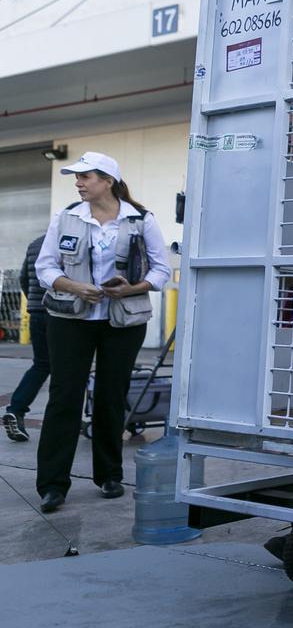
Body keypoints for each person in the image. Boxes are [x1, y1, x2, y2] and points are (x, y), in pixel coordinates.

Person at [34, 151, 171, 512]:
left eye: (85, 177)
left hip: (121, 323)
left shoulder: (141, 220)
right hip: (70, 321)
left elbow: (161, 271)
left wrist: (131, 289)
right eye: (76, 178)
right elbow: (45, 267)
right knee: (64, 397)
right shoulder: (65, 218)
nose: (78, 183)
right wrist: (75, 287)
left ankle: (109, 475)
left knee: (112, 396)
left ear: (107, 181)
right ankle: (52, 484)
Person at [3, 235, 49, 443]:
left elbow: (24, 278)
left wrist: (34, 302)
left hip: (37, 313)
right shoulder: (69, 240)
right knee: (70, 369)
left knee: (41, 365)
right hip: (63, 315)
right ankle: (61, 421)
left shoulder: (35, 244)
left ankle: (16, 409)